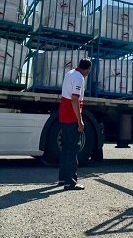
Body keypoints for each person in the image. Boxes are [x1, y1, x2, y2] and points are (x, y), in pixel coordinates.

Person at [58, 58, 92, 191]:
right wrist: (80, 120)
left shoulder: (70, 73)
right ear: (87, 69)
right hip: (71, 117)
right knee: (72, 150)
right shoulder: (79, 78)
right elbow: (74, 99)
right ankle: (70, 182)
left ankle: (62, 178)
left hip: (63, 115)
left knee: (65, 148)